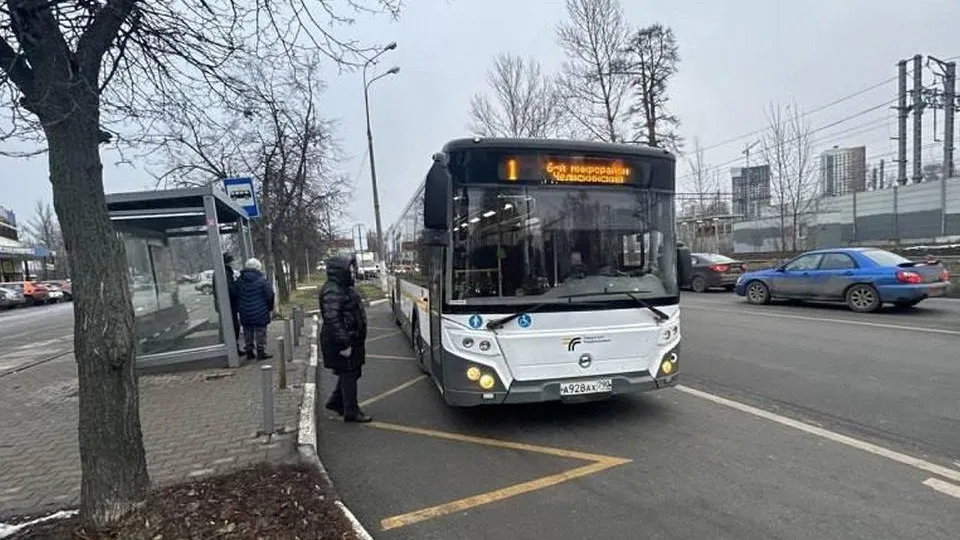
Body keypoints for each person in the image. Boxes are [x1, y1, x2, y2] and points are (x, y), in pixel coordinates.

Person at [320, 257, 371, 423]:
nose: (351, 272)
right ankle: (351, 411)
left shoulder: (343, 287)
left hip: (351, 338)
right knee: (349, 373)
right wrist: (345, 343)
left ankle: (336, 402)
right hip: (342, 341)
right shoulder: (332, 290)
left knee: (352, 372)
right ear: (339, 270)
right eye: (348, 269)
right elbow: (333, 319)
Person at [236, 258, 275, 360]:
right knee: (260, 331)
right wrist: (269, 308)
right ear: (258, 268)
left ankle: (249, 351)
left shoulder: (240, 280)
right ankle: (260, 351)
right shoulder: (262, 280)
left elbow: (236, 294)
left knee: (247, 331)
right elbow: (270, 294)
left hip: (245, 310)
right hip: (260, 310)